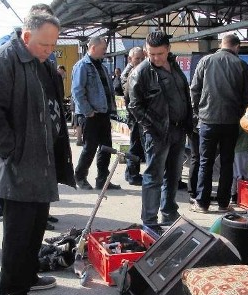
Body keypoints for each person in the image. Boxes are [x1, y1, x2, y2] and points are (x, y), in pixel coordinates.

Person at [0, 10, 75, 295]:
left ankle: (29, 275)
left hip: (41, 161)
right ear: (27, 36)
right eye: (45, 44)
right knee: (18, 233)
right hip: (18, 164)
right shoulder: (3, 60)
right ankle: (13, 293)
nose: (50, 51)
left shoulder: (41, 63)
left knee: (35, 228)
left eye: (53, 45)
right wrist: (13, 151)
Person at [128, 30, 192, 228]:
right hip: (157, 134)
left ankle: (169, 212)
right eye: (151, 53)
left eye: (159, 53)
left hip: (178, 130)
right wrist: (153, 127)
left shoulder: (174, 65)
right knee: (153, 177)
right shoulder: (141, 72)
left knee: (173, 175)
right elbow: (134, 107)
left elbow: (183, 94)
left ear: (168, 50)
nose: (155, 57)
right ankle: (149, 220)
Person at [189, 34, 248, 213]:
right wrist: (240, 115)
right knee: (227, 162)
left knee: (205, 162)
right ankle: (224, 203)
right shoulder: (242, 65)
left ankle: (202, 203)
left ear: (221, 44)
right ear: (237, 47)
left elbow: (194, 90)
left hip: (207, 120)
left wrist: (198, 112)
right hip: (231, 122)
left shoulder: (205, 61)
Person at [71, 36, 121, 190]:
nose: (105, 52)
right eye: (103, 49)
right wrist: (88, 111)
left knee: (106, 147)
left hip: (103, 113)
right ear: (93, 48)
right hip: (91, 115)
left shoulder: (101, 66)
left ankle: (102, 179)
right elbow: (77, 91)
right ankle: (80, 177)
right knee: (90, 147)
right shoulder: (82, 66)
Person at [120, 46, 146, 185]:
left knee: (138, 145)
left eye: (142, 58)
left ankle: (132, 172)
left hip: (138, 114)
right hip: (134, 115)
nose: (141, 60)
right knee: (135, 145)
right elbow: (130, 93)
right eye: (138, 58)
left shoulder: (140, 71)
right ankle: (132, 174)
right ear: (130, 59)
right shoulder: (128, 73)